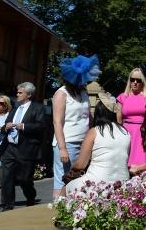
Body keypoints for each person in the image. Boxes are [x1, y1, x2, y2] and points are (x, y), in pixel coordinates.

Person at [52, 54, 100, 200]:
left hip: (83, 142)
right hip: (68, 143)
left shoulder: (83, 92)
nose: (82, 80)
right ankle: (58, 207)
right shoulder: (61, 94)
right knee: (64, 180)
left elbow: (89, 117)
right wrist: (62, 148)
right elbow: (57, 122)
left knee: (78, 181)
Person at [64, 91, 131, 194]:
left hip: (97, 182)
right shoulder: (126, 133)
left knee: (65, 189)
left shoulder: (95, 131)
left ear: (98, 113)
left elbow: (81, 164)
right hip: (122, 182)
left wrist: (71, 170)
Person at [0, 82, 45, 211]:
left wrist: (23, 126)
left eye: (20, 92)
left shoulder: (38, 108)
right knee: (6, 178)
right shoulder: (15, 108)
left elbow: (41, 127)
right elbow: (5, 125)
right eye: (17, 92)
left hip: (26, 149)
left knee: (24, 179)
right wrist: (6, 127)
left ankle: (30, 196)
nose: (17, 94)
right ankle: (7, 206)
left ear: (29, 94)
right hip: (9, 148)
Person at [116, 67, 146, 166]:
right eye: (132, 80)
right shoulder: (122, 97)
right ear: (129, 81)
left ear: (142, 82)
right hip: (126, 133)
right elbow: (119, 120)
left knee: (142, 164)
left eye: (138, 80)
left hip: (143, 133)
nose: (135, 82)